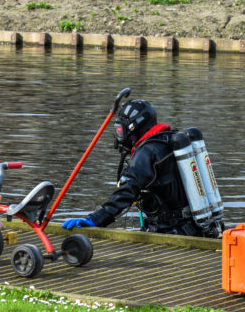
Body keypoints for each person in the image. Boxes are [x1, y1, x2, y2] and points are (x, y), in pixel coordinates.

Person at [61, 99, 211, 237]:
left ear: (134, 126)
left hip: (170, 232)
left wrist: (96, 219)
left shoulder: (147, 152)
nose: (120, 136)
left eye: (121, 130)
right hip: (194, 227)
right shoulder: (168, 140)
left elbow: (128, 190)